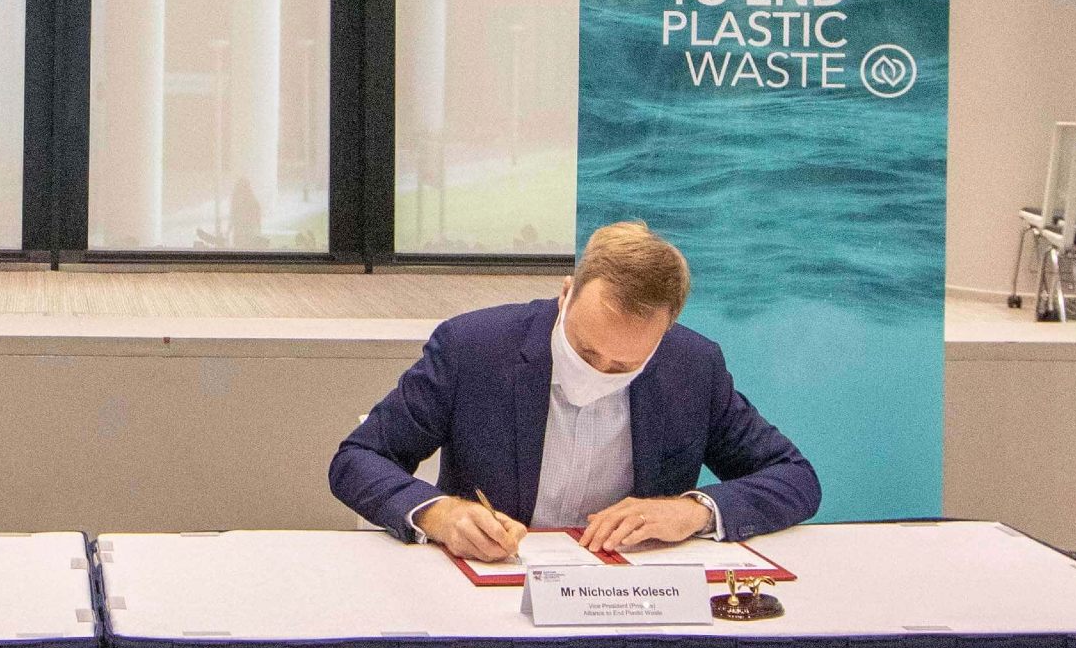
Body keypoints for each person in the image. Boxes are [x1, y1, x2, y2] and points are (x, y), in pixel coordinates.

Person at [330, 220, 820, 556]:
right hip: (494, 586)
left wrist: (692, 512)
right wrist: (440, 515)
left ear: (665, 333)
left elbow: (794, 478)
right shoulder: (473, 348)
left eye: (624, 364)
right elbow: (358, 459)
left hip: (630, 602)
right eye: (585, 351)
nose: (600, 370)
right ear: (566, 294)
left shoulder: (691, 367)